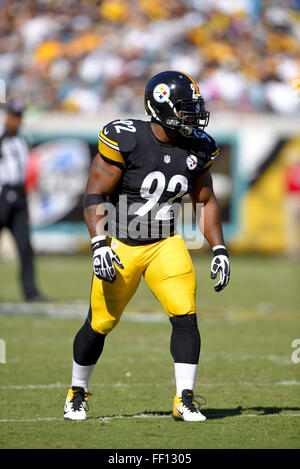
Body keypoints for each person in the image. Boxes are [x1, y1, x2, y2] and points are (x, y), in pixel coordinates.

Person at [64, 71, 230, 422]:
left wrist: (219, 249)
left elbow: (206, 199)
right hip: (122, 243)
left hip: (165, 242)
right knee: (101, 323)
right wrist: (99, 244)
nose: (194, 117)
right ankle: (77, 391)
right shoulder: (127, 138)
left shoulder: (198, 148)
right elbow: (96, 194)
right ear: (162, 107)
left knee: (185, 314)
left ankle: (184, 398)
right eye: (185, 110)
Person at [0, 99, 45, 302]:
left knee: (25, 246)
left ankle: (31, 292)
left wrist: (26, 199)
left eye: (19, 117)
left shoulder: (22, 141)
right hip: (1, 194)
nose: (16, 121)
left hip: (18, 195)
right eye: (13, 116)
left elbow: (25, 170)